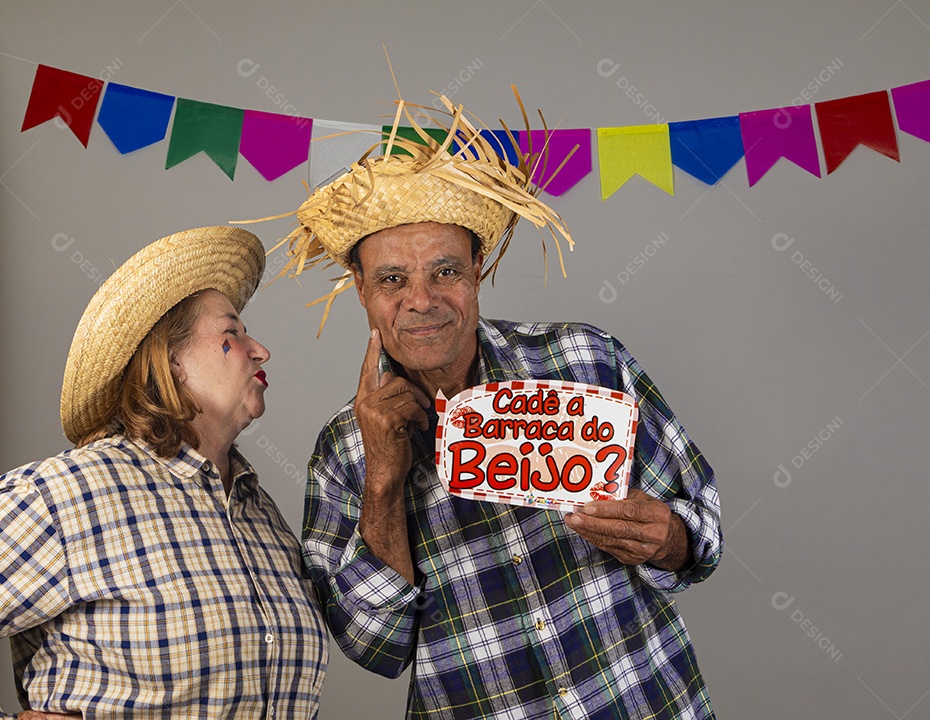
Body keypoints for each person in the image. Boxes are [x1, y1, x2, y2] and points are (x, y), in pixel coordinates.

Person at [281, 96, 722, 718]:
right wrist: (383, 477)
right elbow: (375, 649)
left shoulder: (584, 360)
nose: (422, 301)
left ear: (479, 268)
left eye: (445, 272)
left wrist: (667, 537)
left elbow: (702, 530)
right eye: (391, 280)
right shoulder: (343, 452)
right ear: (360, 288)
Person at [0, 227, 329, 719]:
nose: (259, 351)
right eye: (232, 333)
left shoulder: (259, 512)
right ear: (170, 361)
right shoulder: (66, 494)